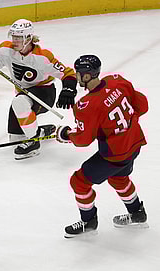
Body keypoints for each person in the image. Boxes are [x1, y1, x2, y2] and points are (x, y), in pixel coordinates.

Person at [56, 55, 149, 238]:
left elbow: (83, 139)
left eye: (78, 73)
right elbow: (142, 105)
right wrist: (126, 124)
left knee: (79, 181)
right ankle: (137, 213)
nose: (76, 76)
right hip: (135, 142)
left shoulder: (87, 105)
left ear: (87, 76)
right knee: (119, 179)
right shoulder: (117, 81)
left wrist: (66, 134)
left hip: (116, 153)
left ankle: (88, 222)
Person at [0, 19, 77, 160]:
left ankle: (33, 141)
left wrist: (68, 89)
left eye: (19, 37)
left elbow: (68, 73)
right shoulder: (4, 50)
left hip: (44, 93)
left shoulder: (42, 57)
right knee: (16, 140)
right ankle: (40, 132)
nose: (15, 40)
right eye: (13, 36)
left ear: (29, 38)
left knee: (19, 102)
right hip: (23, 95)